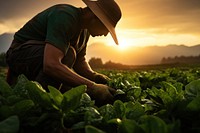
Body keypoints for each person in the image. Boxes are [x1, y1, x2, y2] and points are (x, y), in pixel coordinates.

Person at [6, 0, 122, 105]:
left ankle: (42, 95)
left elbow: (80, 62)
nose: (106, 34)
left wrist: (95, 77)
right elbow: (51, 65)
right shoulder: (64, 15)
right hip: (18, 54)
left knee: (74, 90)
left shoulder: (85, 31)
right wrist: (92, 87)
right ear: (95, 17)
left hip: (39, 59)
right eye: (106, 28)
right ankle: (40, 104)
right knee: (69, 54)